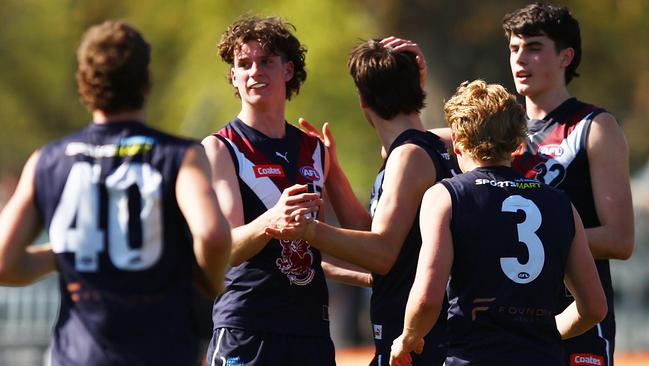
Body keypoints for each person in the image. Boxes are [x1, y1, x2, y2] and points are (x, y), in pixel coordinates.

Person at [0, 20, 231, 366]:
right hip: (161, 351)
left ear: (84, 84)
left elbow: (5, 262)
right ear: (146, 82)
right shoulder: (181, 156)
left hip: (80, 356)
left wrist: (66, 252)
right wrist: (212, 282)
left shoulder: (46, 161)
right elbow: (212, 235)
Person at [390, 79, 607, 366]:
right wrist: (544, 332)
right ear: (518, 142)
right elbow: (593, 308)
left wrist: (408, 337)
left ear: (457, 141)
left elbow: (428, 298)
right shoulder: (561, 203)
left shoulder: (446, 196)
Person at [269, 37, 458, 366]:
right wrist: (332, 171)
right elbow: (372, 233)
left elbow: (382, 253)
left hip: (418, 345)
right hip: (415, 341)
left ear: (362, 100)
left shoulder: (409, 156)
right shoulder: (428, 146)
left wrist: (308, 231)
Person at [503, 4, 634, 365]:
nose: (520, 59)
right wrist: (410, 83)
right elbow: (414, 143)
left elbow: (620, 240)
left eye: (533, 47)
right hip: (508, 321)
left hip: (578, 323)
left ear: (566, 56)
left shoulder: (593, 126)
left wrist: (530, 239)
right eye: (514, 49)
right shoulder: (498, 133)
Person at [201, 15, 336, 366]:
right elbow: (225, 249)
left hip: (310, 330)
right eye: (243, 64)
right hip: (247, 326)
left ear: (288, 70)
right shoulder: (221, 147)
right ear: (233, 75)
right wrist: (270, 221)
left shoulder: (314, 149)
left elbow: (319, 243)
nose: (254, 71)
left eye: (266, 62)